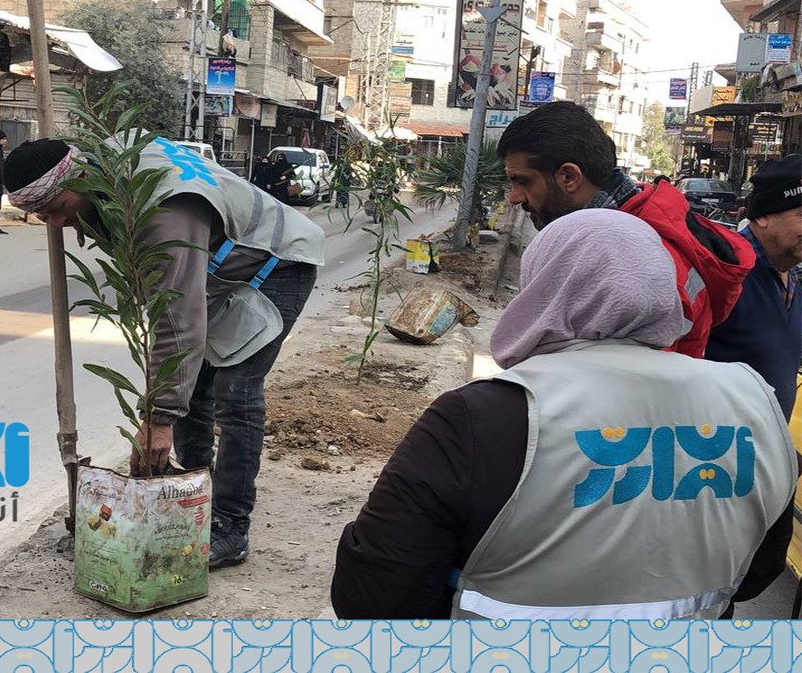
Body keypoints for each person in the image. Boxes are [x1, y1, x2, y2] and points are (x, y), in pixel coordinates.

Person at [330, 209, 795, 620]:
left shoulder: (478, 418)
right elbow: (759, 569)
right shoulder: (752, 399)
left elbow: (375, 597)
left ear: (545, 288)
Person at [4, 136, 324, 568]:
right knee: (194, 389)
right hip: (219, 270)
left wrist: (158, 419)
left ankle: (230, 527)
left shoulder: (163, 212)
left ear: (81, 178)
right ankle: (196, 498)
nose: (57, 222)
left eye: (59, 208)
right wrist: (90, 217)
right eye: (44, 217)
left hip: (279, 262)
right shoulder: (108, 166)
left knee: (236, 392)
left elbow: (177, 318)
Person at [497, 101, 755, 357]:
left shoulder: (640, 263)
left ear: (569, 177)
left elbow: (622, 377)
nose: (514, 197)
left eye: (522, 182)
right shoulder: (624, 237)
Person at [707, 154, 802, 422]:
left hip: (769, 443)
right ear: (762, 216)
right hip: (717, 442)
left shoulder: (791, 273)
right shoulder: (725, 272)